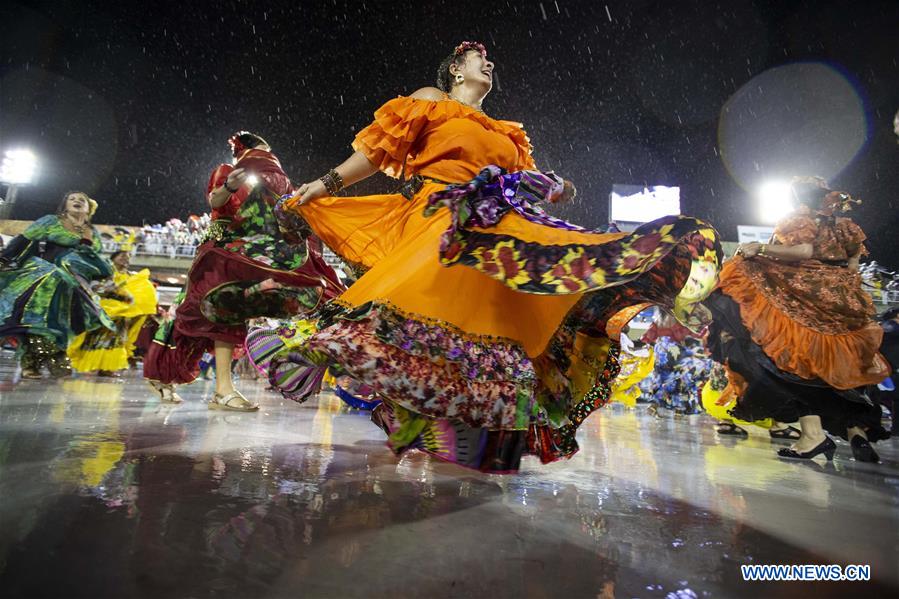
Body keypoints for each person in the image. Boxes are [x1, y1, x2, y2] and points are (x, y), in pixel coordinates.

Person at [253, 42, 722, 472]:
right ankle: (418, 422)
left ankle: (450, 436)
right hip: (441, 219)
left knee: (487, 332)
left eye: (489, 58)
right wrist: (325, 184)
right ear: (455, 69)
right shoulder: (431, 100)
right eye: (479, 56)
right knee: (427, 317)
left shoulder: (506, 132)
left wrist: (556, 186)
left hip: (499, 229)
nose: (490, 62)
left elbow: (528, 184)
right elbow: (378, 153)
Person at [142, 132, 343, 409]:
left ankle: (220, 389)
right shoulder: (230, 171)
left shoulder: (272, 182)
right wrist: (229, 185)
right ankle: (187, 381)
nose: (268, 154)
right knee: (201, 315)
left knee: (224, 313)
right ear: (248, 149)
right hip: (223, 251)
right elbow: (215, 201)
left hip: (249, 252)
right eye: (263, 148)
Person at [704, 177, 891, 462]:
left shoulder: (801, 218)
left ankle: (813, 436)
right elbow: (853, 263)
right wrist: (837, 282)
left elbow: (804, 252)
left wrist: (760, 249)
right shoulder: (843, 224)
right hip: (843, 302)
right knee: (844, 367)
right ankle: (857, 432)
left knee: (798, 368)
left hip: (803, 300)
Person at [0, 191, 115, 378]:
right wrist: (5, 259)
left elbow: (94, 259)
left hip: (75, 282)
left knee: (63, 323)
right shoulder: (50, 221)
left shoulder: (92, 231)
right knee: (37, 319)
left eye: (82, 200)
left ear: (89, 208)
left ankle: (54, 353)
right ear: (64, 205)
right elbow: (23, 241)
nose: (77, 201)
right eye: (72, 199)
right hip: (44, 273)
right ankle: (32, 362)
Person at [67, 250, 158, 376]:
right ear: (113, 258)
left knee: (115, 341)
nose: (125, 259)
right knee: (96, 339)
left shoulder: (133, 277)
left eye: (127, 257)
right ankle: (92, 365)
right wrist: (116, 293)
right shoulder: (105, 272)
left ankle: (108, 368)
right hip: (104, 312)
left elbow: (141, 294)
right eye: (122, 256)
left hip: (123, 315)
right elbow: (96, 288)